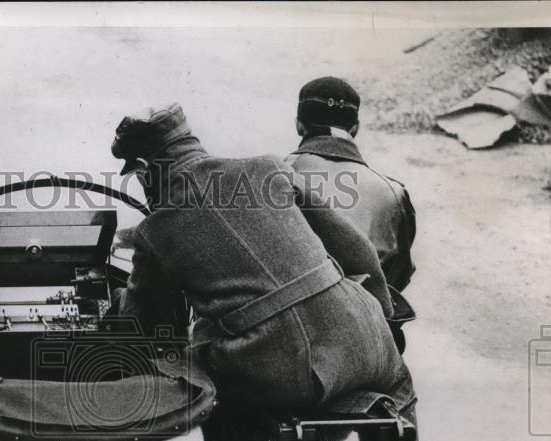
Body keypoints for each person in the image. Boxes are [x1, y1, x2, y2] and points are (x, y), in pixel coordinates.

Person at [111, 103, 413, 416]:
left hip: (288, 377)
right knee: (402, 398)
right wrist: (385, 324)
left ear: (145, 170)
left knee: (177, 372)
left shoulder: (155, 229)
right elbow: (358, 250)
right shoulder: (269, 168)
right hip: (369, 341)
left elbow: (143, 328)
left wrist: (119, 301)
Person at [285, 77, 417, 295]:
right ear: (355, 128)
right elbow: (399, 274)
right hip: (365, 322)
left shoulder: (270, 177)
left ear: (299, 125)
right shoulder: (394, 192)